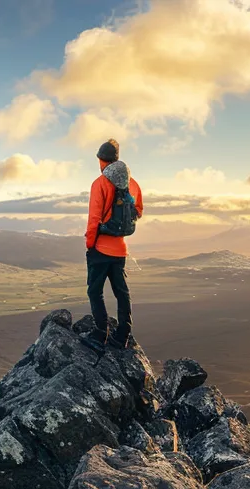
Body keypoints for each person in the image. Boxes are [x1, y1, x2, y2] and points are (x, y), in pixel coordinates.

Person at [84, 139, 143, 353]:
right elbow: (138, 211)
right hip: (120, 250)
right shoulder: (132, 183)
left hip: (100, 249)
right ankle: (123, 335)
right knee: (121, 292)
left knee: (95, 291)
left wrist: (90, 244)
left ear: (101, 160)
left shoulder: (99, 184)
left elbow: (94, 220)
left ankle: (100, 334)